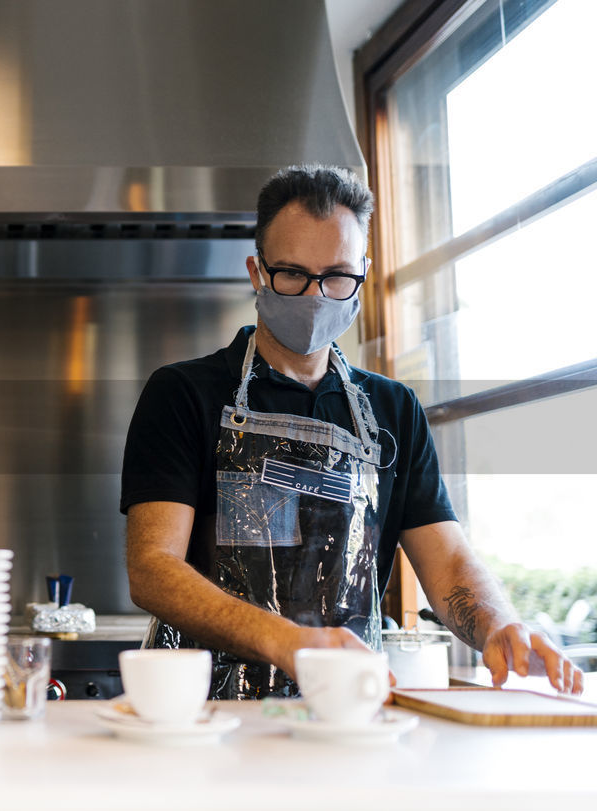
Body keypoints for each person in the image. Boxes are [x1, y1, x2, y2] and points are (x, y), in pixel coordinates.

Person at [121, 165, 583, 701]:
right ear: (256, 271)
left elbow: (449, 562)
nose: (316, 296)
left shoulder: (395, 409)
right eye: (292, 273)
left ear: (363, 273)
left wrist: (499, 625)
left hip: (346, 709)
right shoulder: (184, 392)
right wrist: (289, 642)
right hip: (197, 715)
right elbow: (153, 568)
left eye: (337, 276)